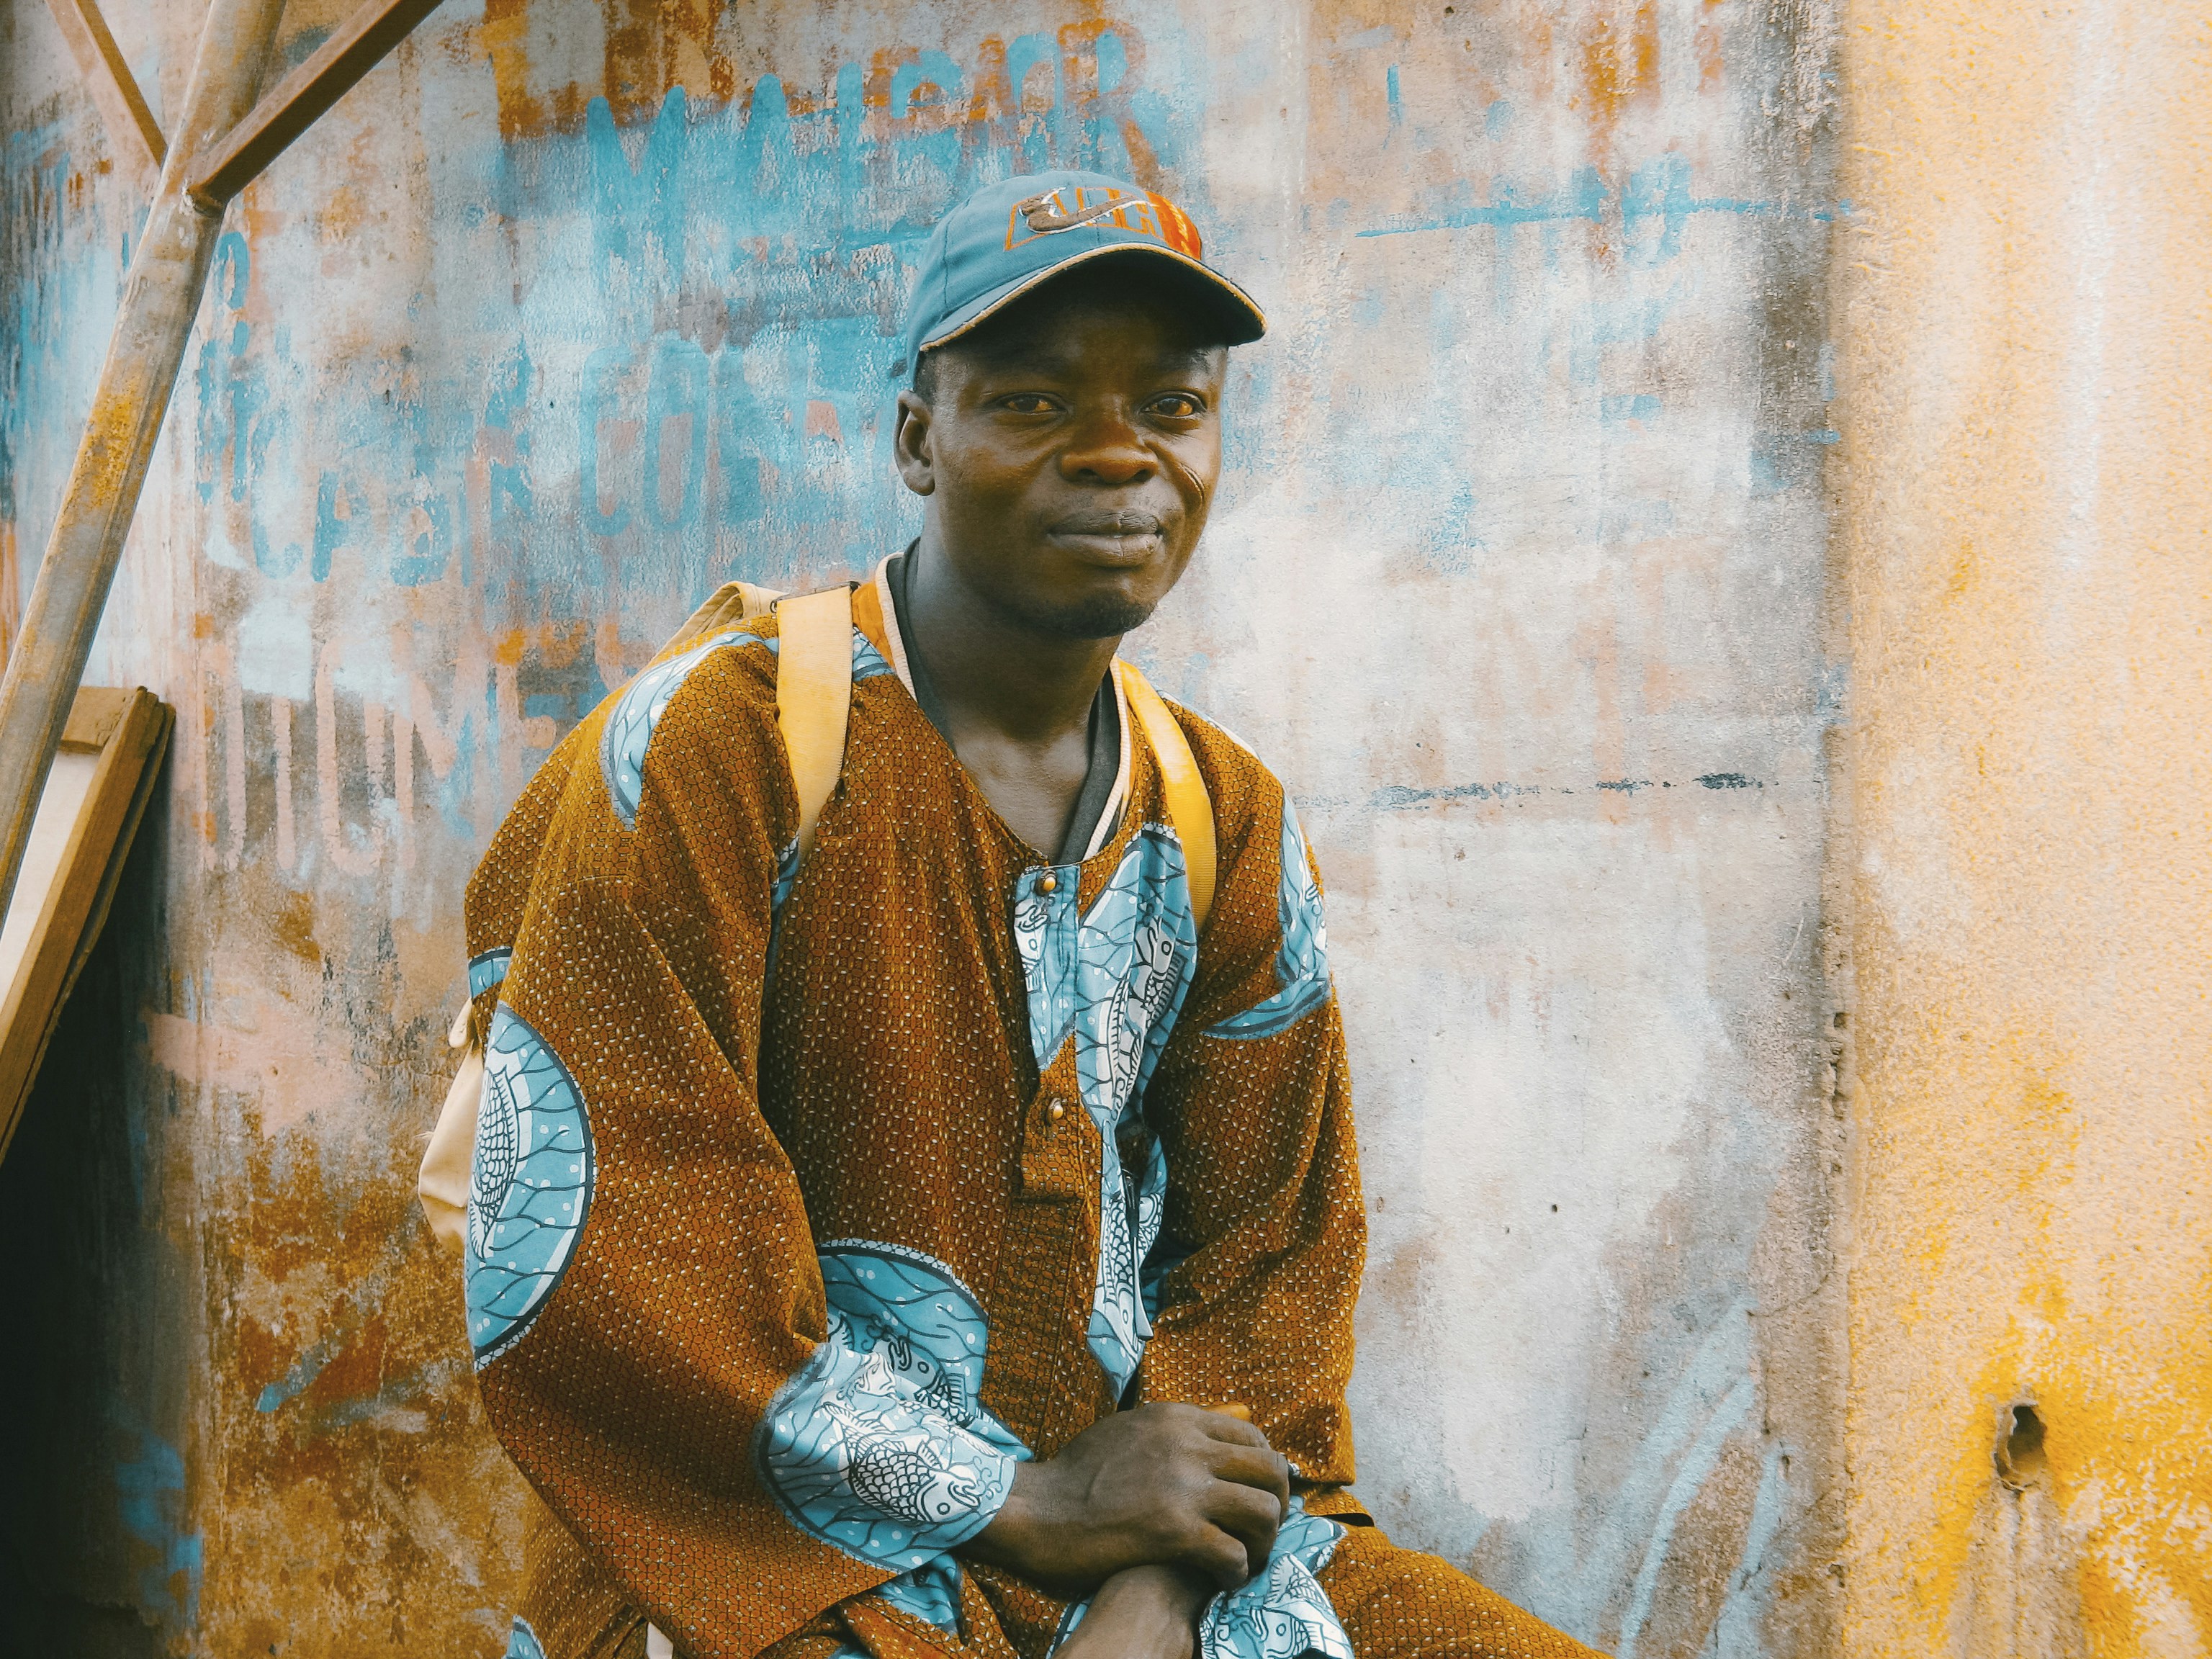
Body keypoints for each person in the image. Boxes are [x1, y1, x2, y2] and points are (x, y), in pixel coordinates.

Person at [455, 169, 1600, 1659]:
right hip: (778, 1551)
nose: (1120, 458)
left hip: (1137, 1544)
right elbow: (622, 1270)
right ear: (919, 438)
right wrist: (1021, 1503)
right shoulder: (719, 752)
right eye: (1038, 405)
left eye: (1174, 408)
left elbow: (1265, 1277)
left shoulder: (1220, 815)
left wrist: (1155, 1578)